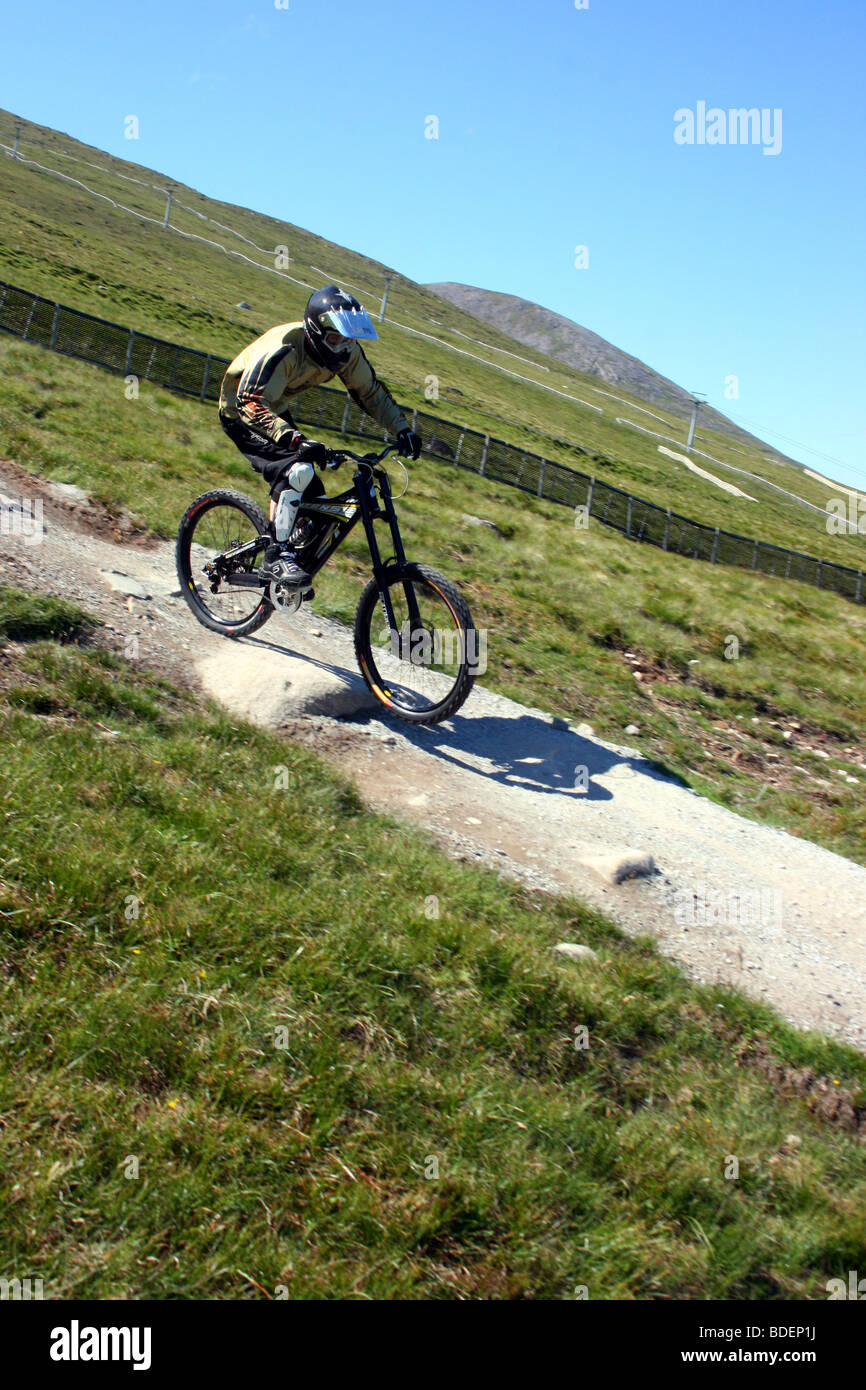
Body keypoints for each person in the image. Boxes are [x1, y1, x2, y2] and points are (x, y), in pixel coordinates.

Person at [218, 285, 422, 590]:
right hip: (243, 409)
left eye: (347, 340)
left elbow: (370, 392)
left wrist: (402, 430)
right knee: (296, 470)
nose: (341, 348)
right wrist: (295, 440)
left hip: (274, 407)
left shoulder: (347, 352)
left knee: (316, 505)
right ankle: (276, 556)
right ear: (315, 333)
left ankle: (290, 548)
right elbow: (250, 402)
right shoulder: (284, 349)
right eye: (334, 340)